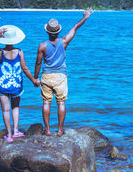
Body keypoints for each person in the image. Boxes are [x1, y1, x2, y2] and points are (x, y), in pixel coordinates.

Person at [34, 8, 94, 136]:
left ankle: (48, 130)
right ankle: (60, 130)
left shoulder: (42, 46)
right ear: (58, 31)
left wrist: (35, 78)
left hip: (47, 76)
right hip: (60, 76)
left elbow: (38, 63)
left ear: (47, 31)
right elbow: (75, 27)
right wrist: (85, 16)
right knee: (61, 102)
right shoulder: (64, 41)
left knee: (46, 102)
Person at [0, 25, 36, 143]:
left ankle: (9, 135)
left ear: (4, 39)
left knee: (5, 110)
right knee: (15, 107)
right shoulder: (20, 52)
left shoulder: (0, 52)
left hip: (3, 85)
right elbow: (25, 69)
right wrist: (33, 80)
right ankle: (16, 131)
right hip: (16, 84)